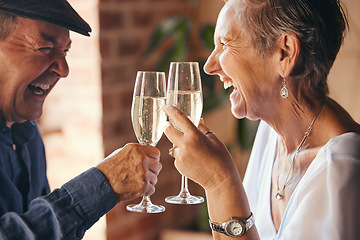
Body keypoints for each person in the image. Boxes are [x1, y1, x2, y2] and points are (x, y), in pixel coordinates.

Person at [163, 0, 360, 239]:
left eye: (225, 44)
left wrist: (219, 182)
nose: (209, 66)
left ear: (285, 53)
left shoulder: (342, 172)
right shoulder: (271, 135)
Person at [0, 0, 162, 239]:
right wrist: (104, 184)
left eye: (65, 52)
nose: (64, 69)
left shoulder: (29, 134)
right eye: (45, 48)